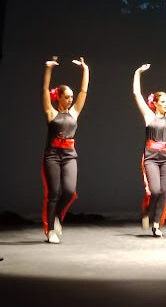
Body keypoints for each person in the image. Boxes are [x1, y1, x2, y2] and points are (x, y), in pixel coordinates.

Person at [133, 64, 166, 237]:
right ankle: (147, 210)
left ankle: (156, 225)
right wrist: (138, 72)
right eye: (162, 101)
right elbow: (136, 94)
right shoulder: (149, 116)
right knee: (154, 190)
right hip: (151, 157)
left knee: (164, 191)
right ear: (155, 104)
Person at [41, 56, 89, 244]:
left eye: (71, 97)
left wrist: (85, 70)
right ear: (58, 97)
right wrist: (49, 69)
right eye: (67, 97)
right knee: (53, 193)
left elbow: (84, 91)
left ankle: (56, 218)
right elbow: (44, 89)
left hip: (69, 156)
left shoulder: (74, 112)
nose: (70, 99)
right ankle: (50, 230)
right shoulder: (51, 112)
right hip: (52, 156)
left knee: (69, 191)